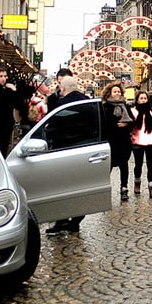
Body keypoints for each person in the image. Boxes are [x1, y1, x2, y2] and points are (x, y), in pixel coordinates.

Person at [45, 75, 89, 234]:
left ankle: (62, 221)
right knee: (79, 187)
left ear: (62, 89)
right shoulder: (87, 102)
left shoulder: (62, 104)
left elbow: (52, 128)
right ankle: (76, 220)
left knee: (61, 187)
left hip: (63, 151)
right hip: (84, 150)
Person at [101, 82, 134, 201]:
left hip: (124, 141)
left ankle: (124, 189)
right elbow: (104, 124)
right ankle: (104, 190)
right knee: (107, 167)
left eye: (119, 92)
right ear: (109, 93)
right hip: (110, 142)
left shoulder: (126, 107)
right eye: (115, 91)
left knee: (124, 166)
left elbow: (133, 123)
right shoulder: (105, 107)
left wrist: (126, 124)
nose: (117, 93)